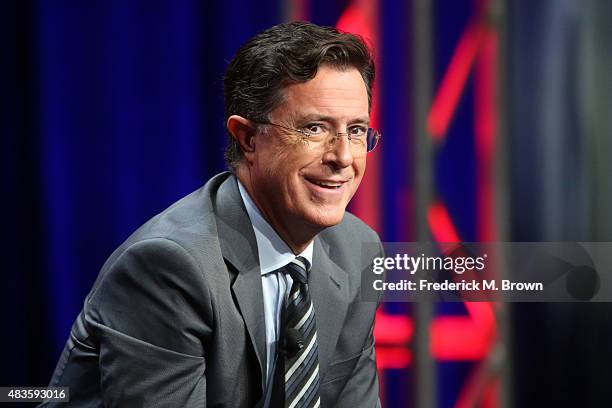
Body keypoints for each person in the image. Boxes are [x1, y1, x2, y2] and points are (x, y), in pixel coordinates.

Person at [42, 21, 384, 407]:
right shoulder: (169, 267)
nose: (342, 157)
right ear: (248, 138)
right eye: (314, 128)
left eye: (356, 131)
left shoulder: (357, 248)